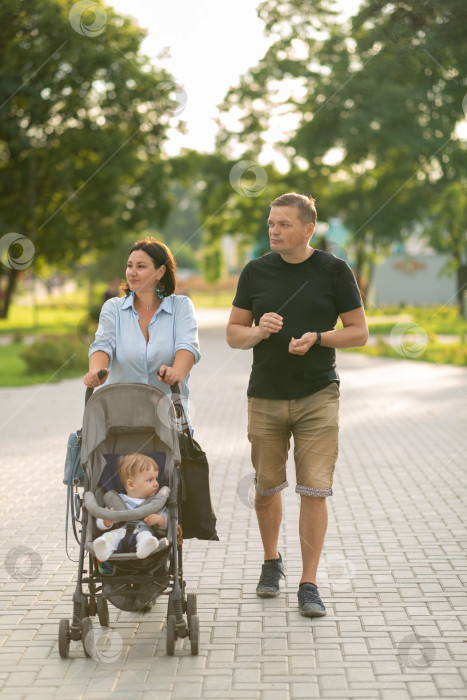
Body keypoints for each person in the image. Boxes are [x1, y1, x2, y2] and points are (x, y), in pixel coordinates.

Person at [226, 192, 368, 617]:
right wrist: (257, 331)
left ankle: (309, 582)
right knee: (266, 488)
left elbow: (359, 332)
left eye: (284, 224)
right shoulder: (255, 272)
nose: (274, 230)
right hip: (265, 395)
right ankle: (272, 562)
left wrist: (319, 338)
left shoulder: (334, 270)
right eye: (271, 223)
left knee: (314, 489)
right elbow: (234, 333)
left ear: (309, 230)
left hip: (317, 395)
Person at [83, 237, 200, 424]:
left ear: (160, 272)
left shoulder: (181, 306)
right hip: (121, 422)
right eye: (130, 266)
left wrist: (176, 372)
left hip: (168, 420)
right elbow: (102, 345)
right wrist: (95, 372)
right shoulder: (113, 308)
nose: (132, 273)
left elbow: (188, 346)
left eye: (141, 266)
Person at [94, 453, 168, 560]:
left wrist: (160, 520)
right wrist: (106, 522)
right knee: (109, 537)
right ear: (131, 485)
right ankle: (103, 549)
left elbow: (167, 520)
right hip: (120, 531)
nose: (156, 484)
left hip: (142, 531)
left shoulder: (155, 502)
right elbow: (103, 515)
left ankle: (144, 548)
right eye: (150, 480)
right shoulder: (117, 500)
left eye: (156, 479)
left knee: (146, 537)